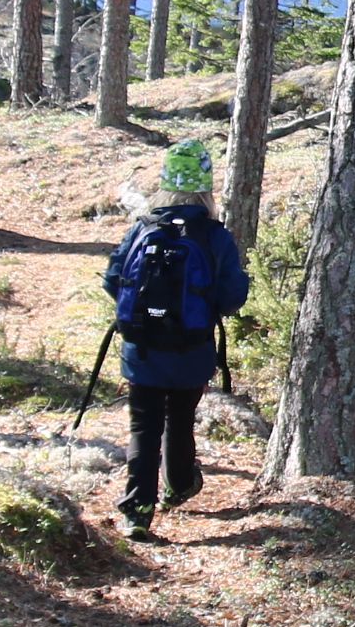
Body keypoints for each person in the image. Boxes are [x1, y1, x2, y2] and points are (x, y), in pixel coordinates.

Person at [103, 138, 251, 540]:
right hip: (191, 350)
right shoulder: (214, 236)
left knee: (144, 426)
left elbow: (112, 280)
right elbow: (233, 296)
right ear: (205, 187)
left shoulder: (143, 228)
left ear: (165, 182)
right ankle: (180, 484)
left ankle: (137, 511)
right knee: (180, 419)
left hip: (142, 350)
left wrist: (143, 315)